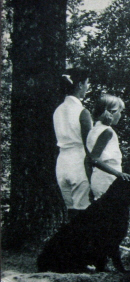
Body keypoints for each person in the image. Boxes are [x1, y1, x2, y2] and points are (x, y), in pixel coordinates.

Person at [53, 68, 93, 217]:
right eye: (86, 83)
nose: (87, 87)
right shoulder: (82, 112)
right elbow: (90, 145)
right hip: (78, 162)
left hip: (62, 163)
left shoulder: (58, 110)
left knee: (71, 211)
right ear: (80, 85)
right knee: (82, 212)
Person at [86, 94, 130, 200]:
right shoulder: (107, 131)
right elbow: (94, 158)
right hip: (107, 178)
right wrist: (119, 174)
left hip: (99, 177)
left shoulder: (93, 130)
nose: (121, 115)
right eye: (119, 112)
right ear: (111, 112)